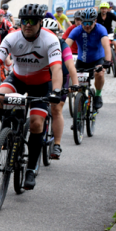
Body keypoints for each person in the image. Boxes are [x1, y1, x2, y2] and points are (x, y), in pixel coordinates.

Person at [0, 4, 63, 191]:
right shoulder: (12, 37)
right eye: (24, 21)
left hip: (41, 84)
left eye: (32, 21)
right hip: (18, 78)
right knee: (1, 97)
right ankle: (8, 132)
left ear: (40, 22)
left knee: (37, 124)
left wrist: (56, 91)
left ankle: (30, 168)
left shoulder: (50, 39)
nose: (27, 25)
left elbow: (56, 68)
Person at [42, 18, 78, 160]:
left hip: (61, 77)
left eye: (52, 33)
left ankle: (57, 144)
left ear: (57, 34)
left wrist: (74, 84)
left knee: (56, 109)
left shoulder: (63, 45)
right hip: (43, 78)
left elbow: (70, 66)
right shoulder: (37, 43)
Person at [65, 7, 112, 110]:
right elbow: (67, 45)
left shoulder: (100, 29)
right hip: (82, 60)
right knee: (79, 85)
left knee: (99, 73)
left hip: (97, 59)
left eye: (89, 23)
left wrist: (108, 61)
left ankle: (98, 95)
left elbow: (106, 46)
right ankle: (79, 112)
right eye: (84, 23)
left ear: (95, 21)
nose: (86, 26)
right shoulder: (77, 30)